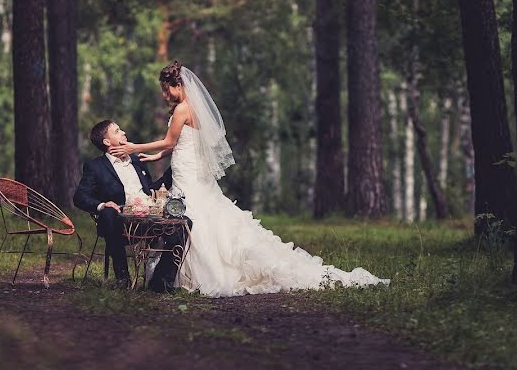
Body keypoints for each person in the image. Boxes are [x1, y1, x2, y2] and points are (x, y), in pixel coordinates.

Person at [109, 61, 390, 298]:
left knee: (195, 214)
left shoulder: (183, 109)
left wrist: (134, 148)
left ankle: (197, 273)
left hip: (189, 173)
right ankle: (176, 272)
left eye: (165, 88)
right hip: (186, 168)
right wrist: (157, 157)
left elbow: (169, 139)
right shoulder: (188, 108)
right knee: (198, 213)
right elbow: (174, 145)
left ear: (178, 85)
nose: (164, 94)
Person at [73, 119, 187, 293]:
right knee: (109, 213)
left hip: (149, 221)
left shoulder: (136, 160)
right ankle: (122, 278)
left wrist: (176, 168)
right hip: (119, 224)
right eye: (117, 131)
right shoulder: (95, 166)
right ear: (106, 141)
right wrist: (103, 205)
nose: (123, 132)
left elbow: (151, 191)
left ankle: (161, 281)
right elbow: (79, 197)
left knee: (185, 223)